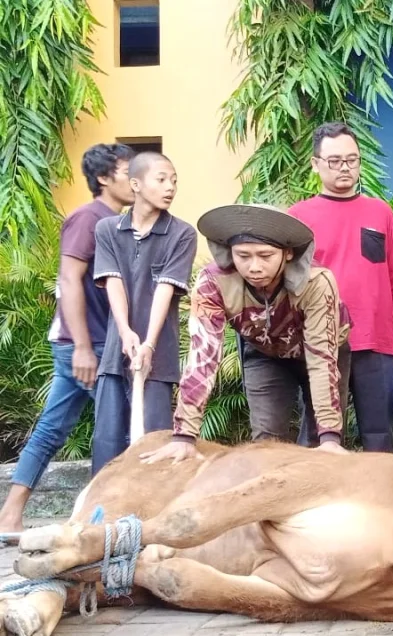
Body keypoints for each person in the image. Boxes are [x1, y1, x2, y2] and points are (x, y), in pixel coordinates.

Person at [139, 204, 351, 464]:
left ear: (287, 253)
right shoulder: (213, 282)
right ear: (230, 253)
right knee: (266, 441)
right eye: (243, 256)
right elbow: (202, 359)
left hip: (323, 352)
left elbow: (321, 359)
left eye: (265, 255)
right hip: (264, 354)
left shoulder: (317, 282)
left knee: (321, 444)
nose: (254, 266)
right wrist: (184, 436)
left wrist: (329, 436)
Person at [0, 143, 136, 533]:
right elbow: (68, 279)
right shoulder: (87, 218)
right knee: (124, 428)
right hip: (84, 344)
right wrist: (81, 346)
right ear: (105, 178)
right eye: (129, 172)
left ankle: (11, 515)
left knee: (53, 427)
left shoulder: (118, 221)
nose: (136, 180)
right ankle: (105, 520)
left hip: (99, 343)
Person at [288, 122, 393, 453]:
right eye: (334, 161)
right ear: (315, 164)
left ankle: (382, 505)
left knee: (381, 439)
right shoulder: (298, 217)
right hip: (322, 344)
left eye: (352, 159)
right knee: (322, 439)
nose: (345, 168)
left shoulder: (381, 212)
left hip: (377, 341)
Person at [91, 152, 198, 474]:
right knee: (106, 445)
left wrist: (149, 344)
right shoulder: (107, 229)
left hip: (158, 360)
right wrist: (125, 332)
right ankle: (100, 521)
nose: (170, 187)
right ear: (136, 184)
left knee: (153, 448)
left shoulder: (182, 233)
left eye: (174, 181)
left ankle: (146, 522)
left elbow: (165, 290)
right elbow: (114, 282)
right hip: (114, 356)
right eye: (162, 179)